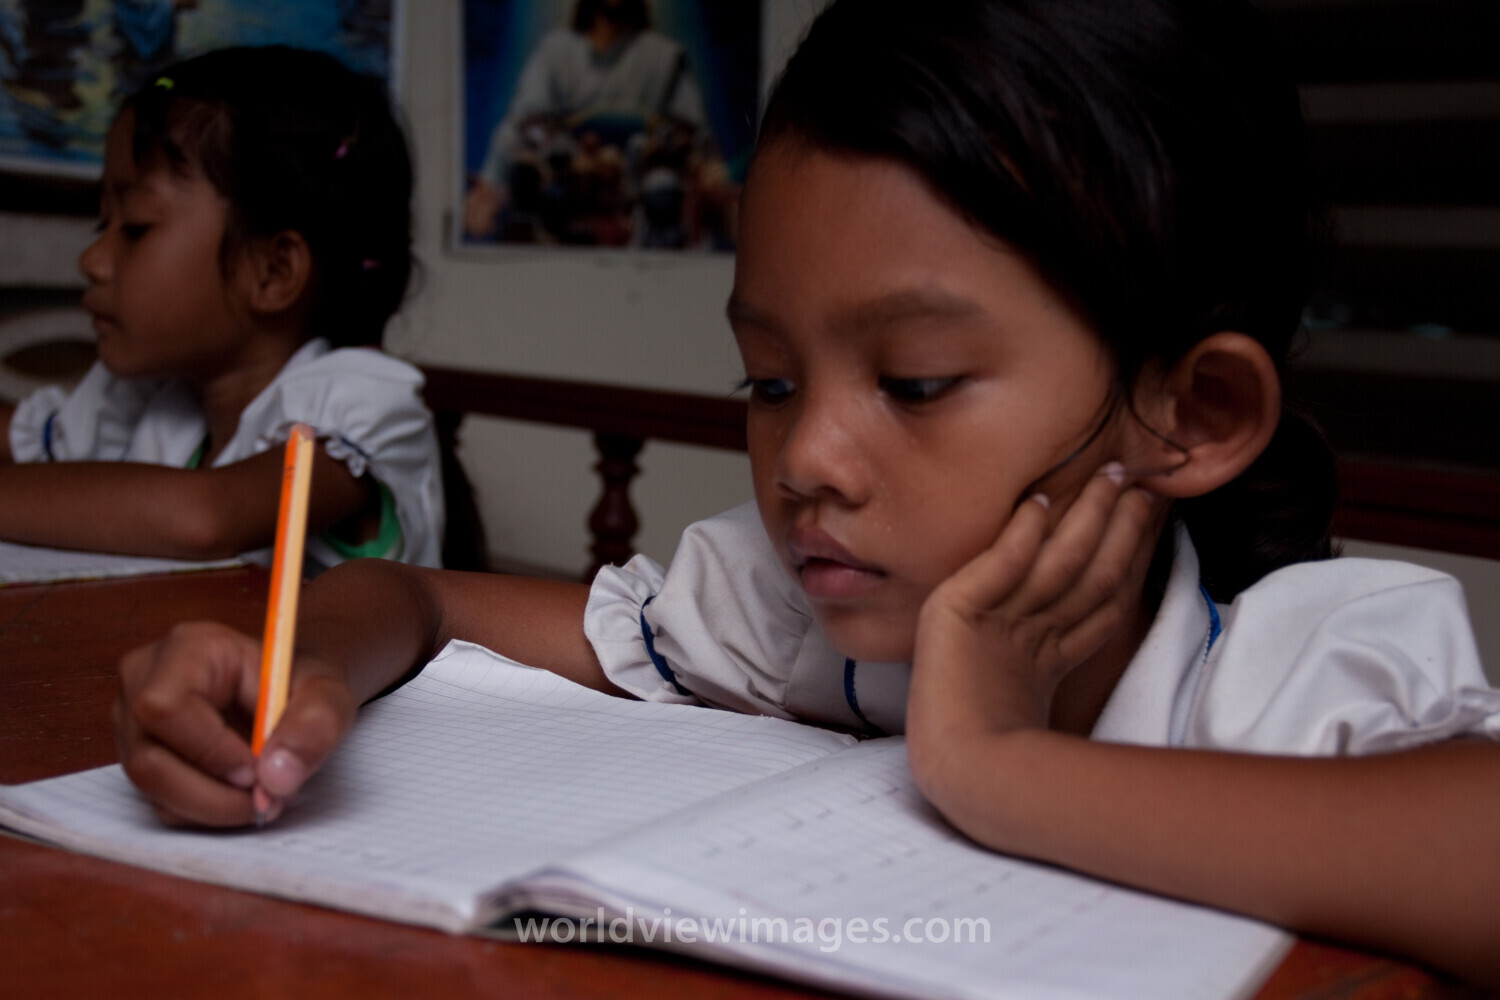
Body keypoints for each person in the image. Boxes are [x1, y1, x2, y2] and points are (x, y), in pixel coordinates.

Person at [113, 1, 1500, 986]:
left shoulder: (1295, 666)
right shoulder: (793, 616)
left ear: (1190, 414)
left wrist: (1001, 768)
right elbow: (409, 593)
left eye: (913, 382)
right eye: (770, 383)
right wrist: (301, 675)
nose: (807, 465)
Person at [0, 45, 445, 573]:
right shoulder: (154, 399)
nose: (92, 259)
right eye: (103, 225)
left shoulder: (360, 405)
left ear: (273, 273)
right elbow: (28, 436)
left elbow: (207, 516)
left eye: (136, 227)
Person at [462, 0, 707, 244]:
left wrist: (651, 151)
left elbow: (690, 133)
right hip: (567, 189)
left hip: (638, 199)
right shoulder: (556, 51)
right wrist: (564, 154)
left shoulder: (665, 56)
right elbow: (526, 122)